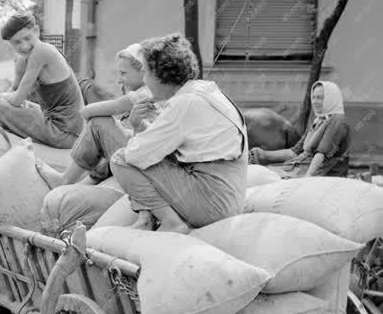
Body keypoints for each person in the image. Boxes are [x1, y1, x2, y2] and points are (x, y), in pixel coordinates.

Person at [109, 33, 248, 233]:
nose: (145, 81)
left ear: (161, 75)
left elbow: (136, 155)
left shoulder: (183, 103)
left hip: (212, 202)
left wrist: (135, 126)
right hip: (229, 195)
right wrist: (141, 127)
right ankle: (151, 217)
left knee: (121, 158)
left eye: (146, 72)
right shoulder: (205, 90)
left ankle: (170, 223)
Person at [47, 43, 161, 186]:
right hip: (148, 154)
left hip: (146, 160)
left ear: (143, 71)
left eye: (123, 73)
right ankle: (83, 184)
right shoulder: (153, 91)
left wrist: (92, 122)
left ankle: (65, 179)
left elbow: (87, 111)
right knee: (116, 131)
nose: (119, 79)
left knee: (99, 122)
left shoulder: (143, 94)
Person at [0, 12, 84, 149]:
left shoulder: (42, 51)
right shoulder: (22, 60)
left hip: (66, 132)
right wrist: (6, 99)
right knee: (5, 105)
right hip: (53, 122)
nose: (24, 46)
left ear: (36, 31)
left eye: (27, 38)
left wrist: (0, 97)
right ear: (10, 42)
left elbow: (17, 99)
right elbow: (14, 90)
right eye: (17, 42)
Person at [249, 81, 350, 177]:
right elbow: (294, 152)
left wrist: (306, 178)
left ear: (331, 99)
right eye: (313, 97)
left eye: (319, 98)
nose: (314, 101)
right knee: (263, 171)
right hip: (298, 167)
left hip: (316, 174)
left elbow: (321, 155)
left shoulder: (337, 121)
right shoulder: (318, 121)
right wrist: (261, 154)